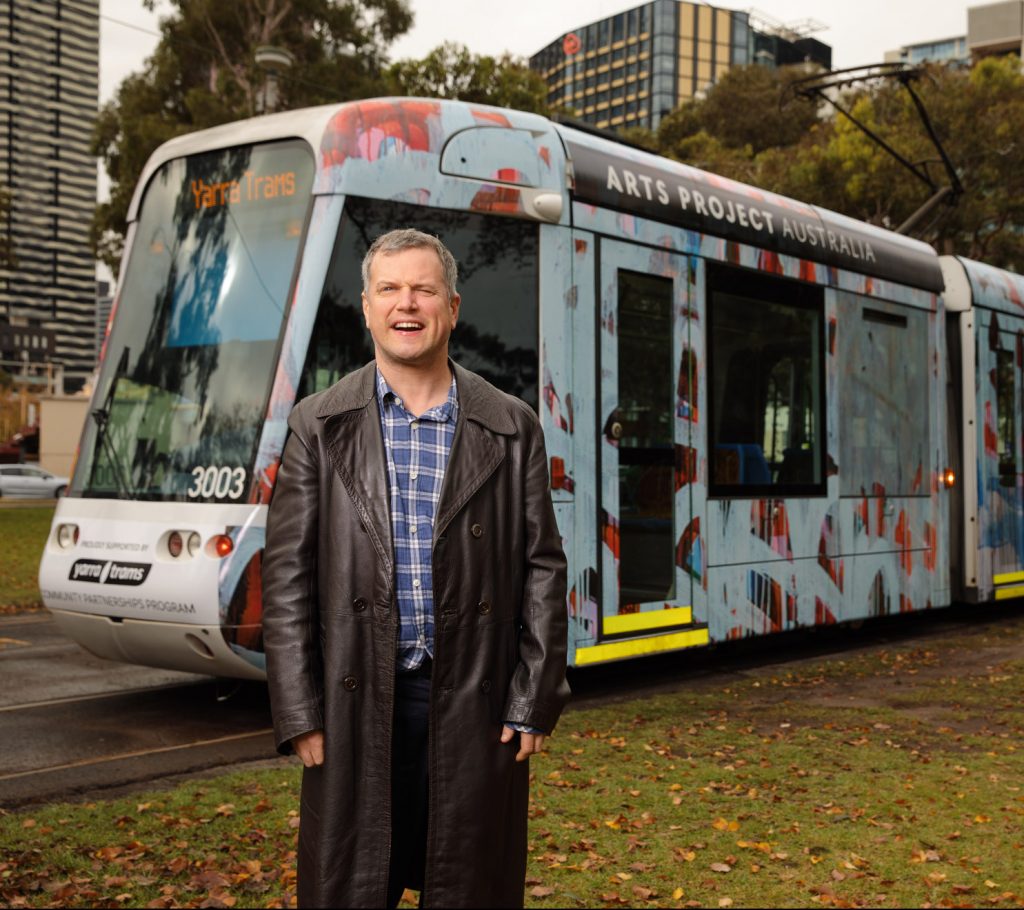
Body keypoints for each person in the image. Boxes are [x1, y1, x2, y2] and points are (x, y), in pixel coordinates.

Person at [262, 228, 570, 909]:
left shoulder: (511, 425)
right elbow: (287, 578)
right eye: (390, 289)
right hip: (354, 703)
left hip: (475, 703)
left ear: (452, 307)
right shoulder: (318, 422)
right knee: (351, 884)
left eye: (424, 289)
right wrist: (298, 709)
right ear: (366, 308)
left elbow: (543, 567)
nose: (408, 303)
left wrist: (534, 698)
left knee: (469, 887)